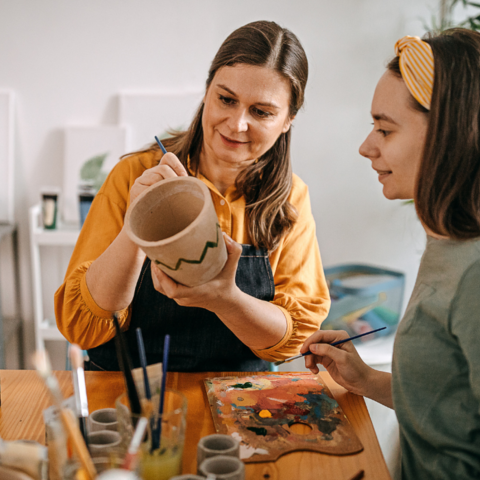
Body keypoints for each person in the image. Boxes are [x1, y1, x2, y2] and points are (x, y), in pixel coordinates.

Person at [55, 20, 330, 372]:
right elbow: (82, 326)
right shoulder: (134, 176)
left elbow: (290, 340)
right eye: (226, 99)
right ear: (207, 91)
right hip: (130, 401)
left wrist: (227, 300)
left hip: (236, 403)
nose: (237, 124)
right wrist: (137, 228)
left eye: (261, 112)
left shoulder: (290, 198)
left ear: (289, 118)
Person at [302, 30, 480, 479]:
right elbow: (450, 405)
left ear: (446, 134)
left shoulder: (474, 272)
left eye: (385, 128)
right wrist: (364, 379)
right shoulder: (446, 241)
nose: (367, 146)